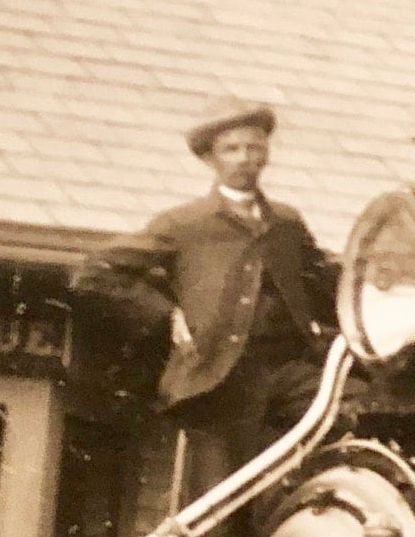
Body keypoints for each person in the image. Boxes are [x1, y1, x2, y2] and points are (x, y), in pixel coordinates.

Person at [75, 99, 336, 506]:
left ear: (266, 154)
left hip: (291, 373)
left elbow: (324, 283)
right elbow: (96, 272)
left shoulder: (286, 223)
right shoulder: (185, 223)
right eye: (231, 149)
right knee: (220, 506)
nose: (244, 158)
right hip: (221, 379)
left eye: (254, 147)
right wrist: (166, 313)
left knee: (342, 431)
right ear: (210, 159)